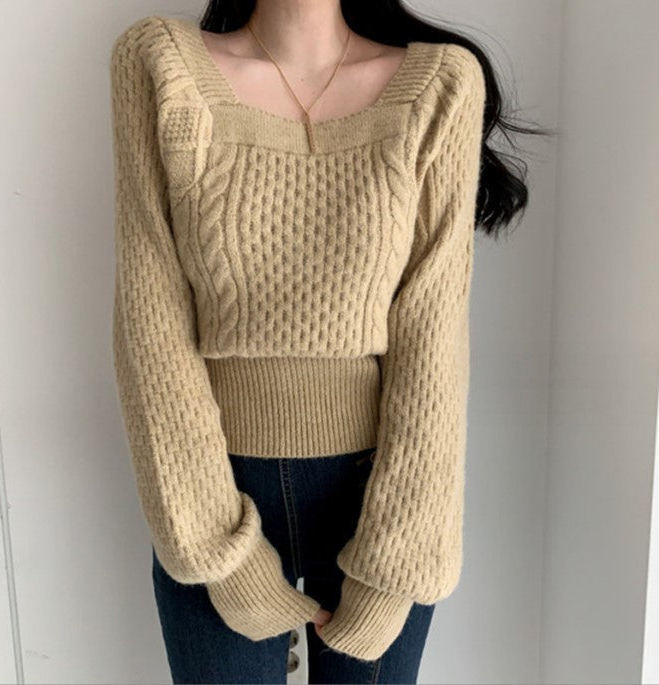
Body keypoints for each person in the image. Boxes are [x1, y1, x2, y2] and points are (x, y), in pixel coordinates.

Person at [108, 1, 544, 682]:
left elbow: (434, 335)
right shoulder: (160, 64)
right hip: (209, 489)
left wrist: (395, 564)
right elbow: (149, 315)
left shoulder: (441, 84)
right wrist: (217, 547)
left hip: (380, 497)